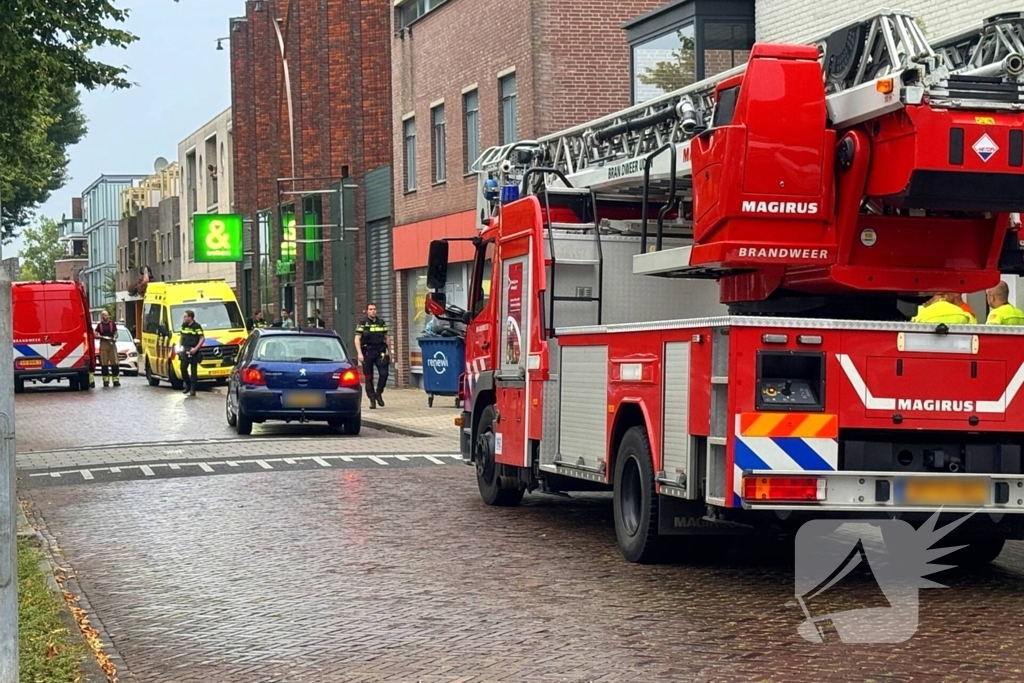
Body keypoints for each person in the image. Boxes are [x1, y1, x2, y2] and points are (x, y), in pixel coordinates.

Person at [355, 303, 390, 409]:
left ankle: (378, 393)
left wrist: (391, 353)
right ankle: (372, 399)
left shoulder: (381, 323)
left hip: (380, 351)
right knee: (369, 377)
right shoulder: (363, 323)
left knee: (384, 374)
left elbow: (386, 338)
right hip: (368, 352)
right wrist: (359, 353)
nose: (373, 311)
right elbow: (357, 339)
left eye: (374, 309)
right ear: (367, 311)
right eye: (370, 309)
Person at [178, 309, 205, 397]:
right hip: (184, 349)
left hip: (194, 350)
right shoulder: (184, 326)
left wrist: (196, 349)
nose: (184, 318)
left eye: (185, 316)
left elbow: (202, 339)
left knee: (193, 371)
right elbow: (181, 337)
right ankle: (187, 384)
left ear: (190, 317)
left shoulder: (197, 326)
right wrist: (179, 347)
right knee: (183, 368)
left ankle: (193, 388)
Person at [95, 310, 120, 387]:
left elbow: (116, 333)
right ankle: (106, 380)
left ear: (109, 316)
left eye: (106, 315)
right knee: (104, 362)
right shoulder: (100, 325)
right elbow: (96, 334)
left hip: (112, 343)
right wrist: (101, 336)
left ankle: (116, 380)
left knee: (114, 361)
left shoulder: (112, 324)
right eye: (103, 315)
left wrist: (115, 337)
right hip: (103, 343)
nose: (105, 317)